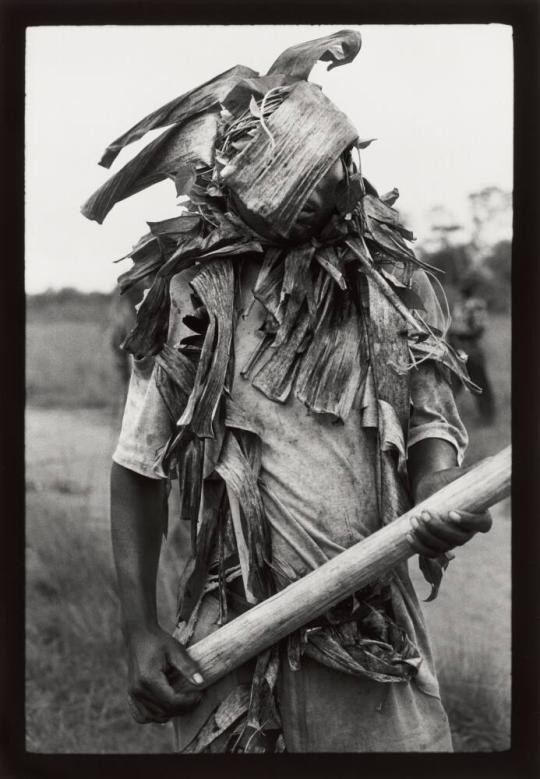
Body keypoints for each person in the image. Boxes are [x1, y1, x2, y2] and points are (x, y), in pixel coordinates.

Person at [83, 30, 491, 753]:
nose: (310, 207)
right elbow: (137, 467)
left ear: (346, 168)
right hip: (231, 635)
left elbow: (432, 439)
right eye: (288, 193)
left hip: (374, 639)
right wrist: (141, 631)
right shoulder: (194, 301)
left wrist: (441, 497)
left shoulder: (394, 292)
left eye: (323, 180)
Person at [449, 274, 496, 424]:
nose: (462, 288)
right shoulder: (459, 304)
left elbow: (479, 328)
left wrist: (460, 332)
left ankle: (487, 417)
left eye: (465, 285)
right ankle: (447, 418)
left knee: (479, 383)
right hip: (456, 349)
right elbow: (453, 324)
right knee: (452, 384)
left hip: (471, 348)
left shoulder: (476, 305)